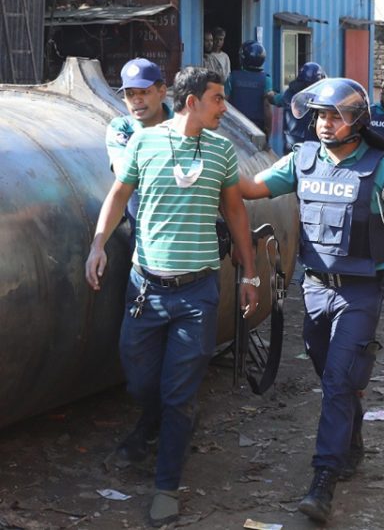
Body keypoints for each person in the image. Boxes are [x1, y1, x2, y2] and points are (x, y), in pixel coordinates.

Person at [239, 77, 384, 524]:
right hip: (314, 288)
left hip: (360, 291)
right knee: (334, 374)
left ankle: (323, 479)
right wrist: (207, 170)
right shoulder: (301, 160)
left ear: (357, 121)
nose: (325, 124)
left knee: (336, 381)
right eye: (320, 115)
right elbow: (251, 189)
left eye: (335, 115)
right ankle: (352, 440)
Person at [85, 66, 260, 526]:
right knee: (140, 379)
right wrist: (97, 245)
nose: (225, 107)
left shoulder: (223, 150)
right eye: (218, 99)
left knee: (180, 393)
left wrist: (251, 274)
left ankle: (166, 484)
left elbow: (237, 214)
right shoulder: (141, 142)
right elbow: (119, 195)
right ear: (191, 102)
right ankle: (158, 424)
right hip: (146, 289)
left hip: (197, 292)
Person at [105, 58, 173, 253]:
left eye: (144, 92)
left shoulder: (182, 125)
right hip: (143, 243)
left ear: (161, 92)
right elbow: (123, 172)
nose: (136, 100)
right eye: (130, 94)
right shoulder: (122, 128)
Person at [268, 61, 326, 153]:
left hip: (291, 148)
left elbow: (276, 99)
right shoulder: (319, 99)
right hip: (313, 149)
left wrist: (269, 95)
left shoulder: (290, 93)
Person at [227, 40, 273, 134]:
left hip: (235, 124)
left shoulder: (232, 77)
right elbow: (267, 107)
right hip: (256, 127)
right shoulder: (266, 79)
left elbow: (225, 101)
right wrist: (268, 131)